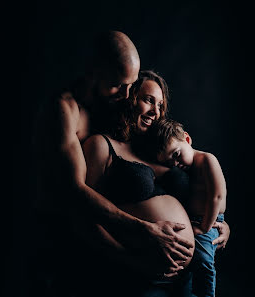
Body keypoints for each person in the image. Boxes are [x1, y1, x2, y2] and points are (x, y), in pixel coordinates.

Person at [34, 31, 208, 296]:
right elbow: (75, 194)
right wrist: (146, 232)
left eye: (132, 85)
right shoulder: (67, 110)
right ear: (95, 71)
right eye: (119, 84)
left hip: (175, 278)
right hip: (61, 242)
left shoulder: (119, 109)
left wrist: (213, 221)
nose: (128, 94)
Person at [80, 70, 229, 296]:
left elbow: (202, 196)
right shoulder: (101, 145)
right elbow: (88, 219)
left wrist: (219, 224)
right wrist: (135, 262)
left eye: (160, 105)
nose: (156, 111)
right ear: (129, 97)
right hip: (139, 278)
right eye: (149, 100)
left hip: (186, 279)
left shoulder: (164, 152)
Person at [144, 118, 227, 297]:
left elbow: (217, 196)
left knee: (204, 262)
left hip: (209, 222)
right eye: (169, 162)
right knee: (190, 268)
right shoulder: (186, 170)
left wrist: (204, 226)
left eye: (176, 155)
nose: (175, 163)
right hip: (194, 221)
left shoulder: (207, 160)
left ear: (187, 139)